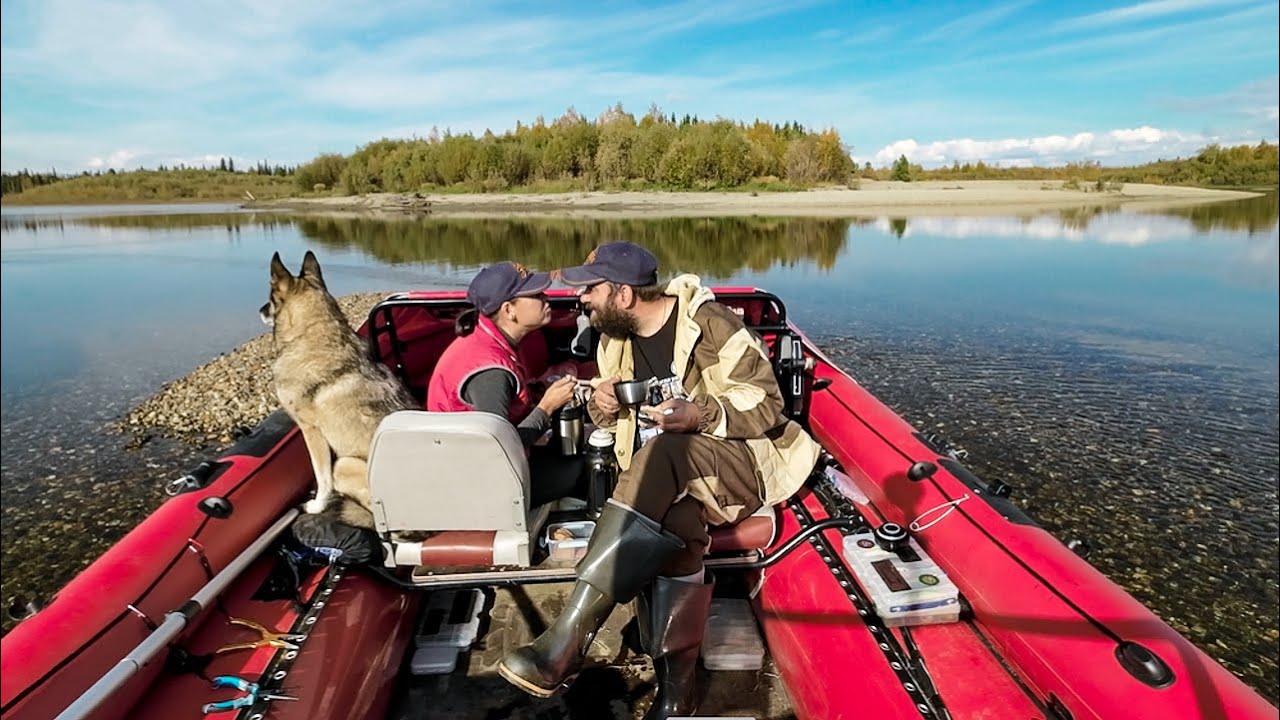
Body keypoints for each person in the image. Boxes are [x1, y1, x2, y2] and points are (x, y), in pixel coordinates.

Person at [498, 242, 821, 719]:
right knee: (680, 522)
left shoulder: (712, 326)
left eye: (590, 291)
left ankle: (568, 638)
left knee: (667, 451)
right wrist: (601, 408)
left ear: (624, 294)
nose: (580, 301)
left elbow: (768, 406)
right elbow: (611, 428)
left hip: (740, 464)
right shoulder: (614, 342)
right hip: (665, 483)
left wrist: (701, 413)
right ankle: (677, 693)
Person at [426, 261, 583, 507]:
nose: (546, 298)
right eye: (536, 295)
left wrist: (539, 386)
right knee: (588, 467)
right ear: (509, 310)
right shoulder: (490, 371)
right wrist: (547, 407)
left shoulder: (490, 340)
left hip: (477, 471)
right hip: (477, 487)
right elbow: (496, 451)